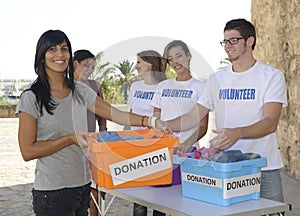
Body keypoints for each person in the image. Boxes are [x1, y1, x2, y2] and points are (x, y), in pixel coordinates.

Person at [16, 29, 157, 216]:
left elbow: (113, 113)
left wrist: (151, 121)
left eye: (64, 48)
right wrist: (69, 139)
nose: (59, 54)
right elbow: (28, 151)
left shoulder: (80, 90)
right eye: (52, 49)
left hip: (82, 188)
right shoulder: (31, 98)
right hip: (51, 194)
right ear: (41, 56)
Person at [156, 19, 287, 213]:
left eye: (233, 40)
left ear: (250, 41)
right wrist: (163, 124)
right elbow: (193, 116)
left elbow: (270, 123)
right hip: (224, 168)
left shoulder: (271, 76)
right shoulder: (216, 79)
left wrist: (237, 133)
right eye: (225, 41)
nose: (227, 46)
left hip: (263, 167)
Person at [126, 50, 167, 216]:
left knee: (160, 197)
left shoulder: (164, 86)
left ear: (150, 63)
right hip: (136, 146)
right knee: (139, 198)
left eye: (139, 62)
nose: (136, 66)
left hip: (157, 147)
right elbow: (130, 116)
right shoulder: (135, 86)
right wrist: (123, 140)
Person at [152, 40, 208, 153]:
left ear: (188, 56)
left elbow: (202, 126)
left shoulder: (200, 87)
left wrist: (186, 144)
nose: (175, 62)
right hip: (163, 150)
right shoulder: (162, 86)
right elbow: (156, 117)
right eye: (170, 59)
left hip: (188, 151)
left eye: (179, 56)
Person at [73, 49, 107, 216]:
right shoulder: (66, 86)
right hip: (71, 144)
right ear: (75, 64)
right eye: (86, 65)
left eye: (92, 66)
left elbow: (103, 114)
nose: (89, 70)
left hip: (92, 143)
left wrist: (103, 132)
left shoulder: (95, 86)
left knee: (95, 186)